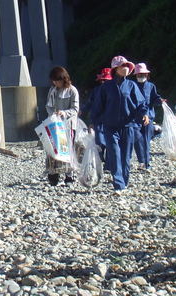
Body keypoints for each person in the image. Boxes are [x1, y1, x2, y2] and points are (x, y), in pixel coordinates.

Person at [89, 56, 148, 193]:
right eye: (123, 66)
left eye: (128, 66)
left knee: (126, 156)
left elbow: (141, 103)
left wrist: (144, 114)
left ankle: (124, 181)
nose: (126, 68)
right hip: (110, 127)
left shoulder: (132, 86)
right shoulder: (106, 87)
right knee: (114, 154)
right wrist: (93, 121)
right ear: (116, 69)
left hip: (128, 126)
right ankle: (118, 183)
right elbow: (98, 107)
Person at [45, 66, 80, 185]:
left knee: (67, 149)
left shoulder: (72, 90)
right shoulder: (53, 90)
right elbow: (48, 106)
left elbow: (75, 109)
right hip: (55, 124)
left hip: (68, 125)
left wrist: (64, 113)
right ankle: (53, 174)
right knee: (53, 149)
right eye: (53, 81)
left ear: (63, 79)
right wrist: (53, 115)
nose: (55, 83)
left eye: (57, 80)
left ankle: (69, 175)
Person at [132, 62, 164, 169]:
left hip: (148, 118)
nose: (141, 76)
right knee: (137, 140)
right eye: (139, 75)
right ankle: (141, 160)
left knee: (146, 140)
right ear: (136, 75)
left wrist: (160, 101)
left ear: (147, 75)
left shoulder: (151, 86)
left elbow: (155, 98)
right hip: (134, 118)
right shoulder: (132, 86)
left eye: (143, 74)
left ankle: (146, 163)